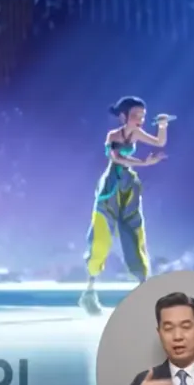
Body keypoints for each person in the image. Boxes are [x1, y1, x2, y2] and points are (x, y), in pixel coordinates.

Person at [79, 96, 169, 315]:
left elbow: (159, 142)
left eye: (143, 116)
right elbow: (117, 158)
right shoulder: (113, 135)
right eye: (136, 115)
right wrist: (144, 163)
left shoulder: (136, 133)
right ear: (123, 116)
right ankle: (89, 290)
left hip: (128, 187)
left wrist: (163, 126)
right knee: (100, 239)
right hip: (110, 187)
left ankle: (143, 288)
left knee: (135, 233)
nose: (140, 120)